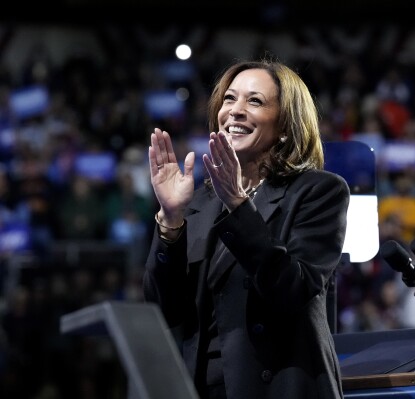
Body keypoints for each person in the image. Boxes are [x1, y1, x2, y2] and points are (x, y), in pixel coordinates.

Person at [143, 59, 350, 399]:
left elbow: (293, 288)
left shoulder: (318, 192)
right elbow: (164, 310)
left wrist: (239, 206)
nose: (235, 111)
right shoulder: (198, 202)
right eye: (229, 99)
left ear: (285, 125)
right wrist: (170, 218)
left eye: (254, 101)